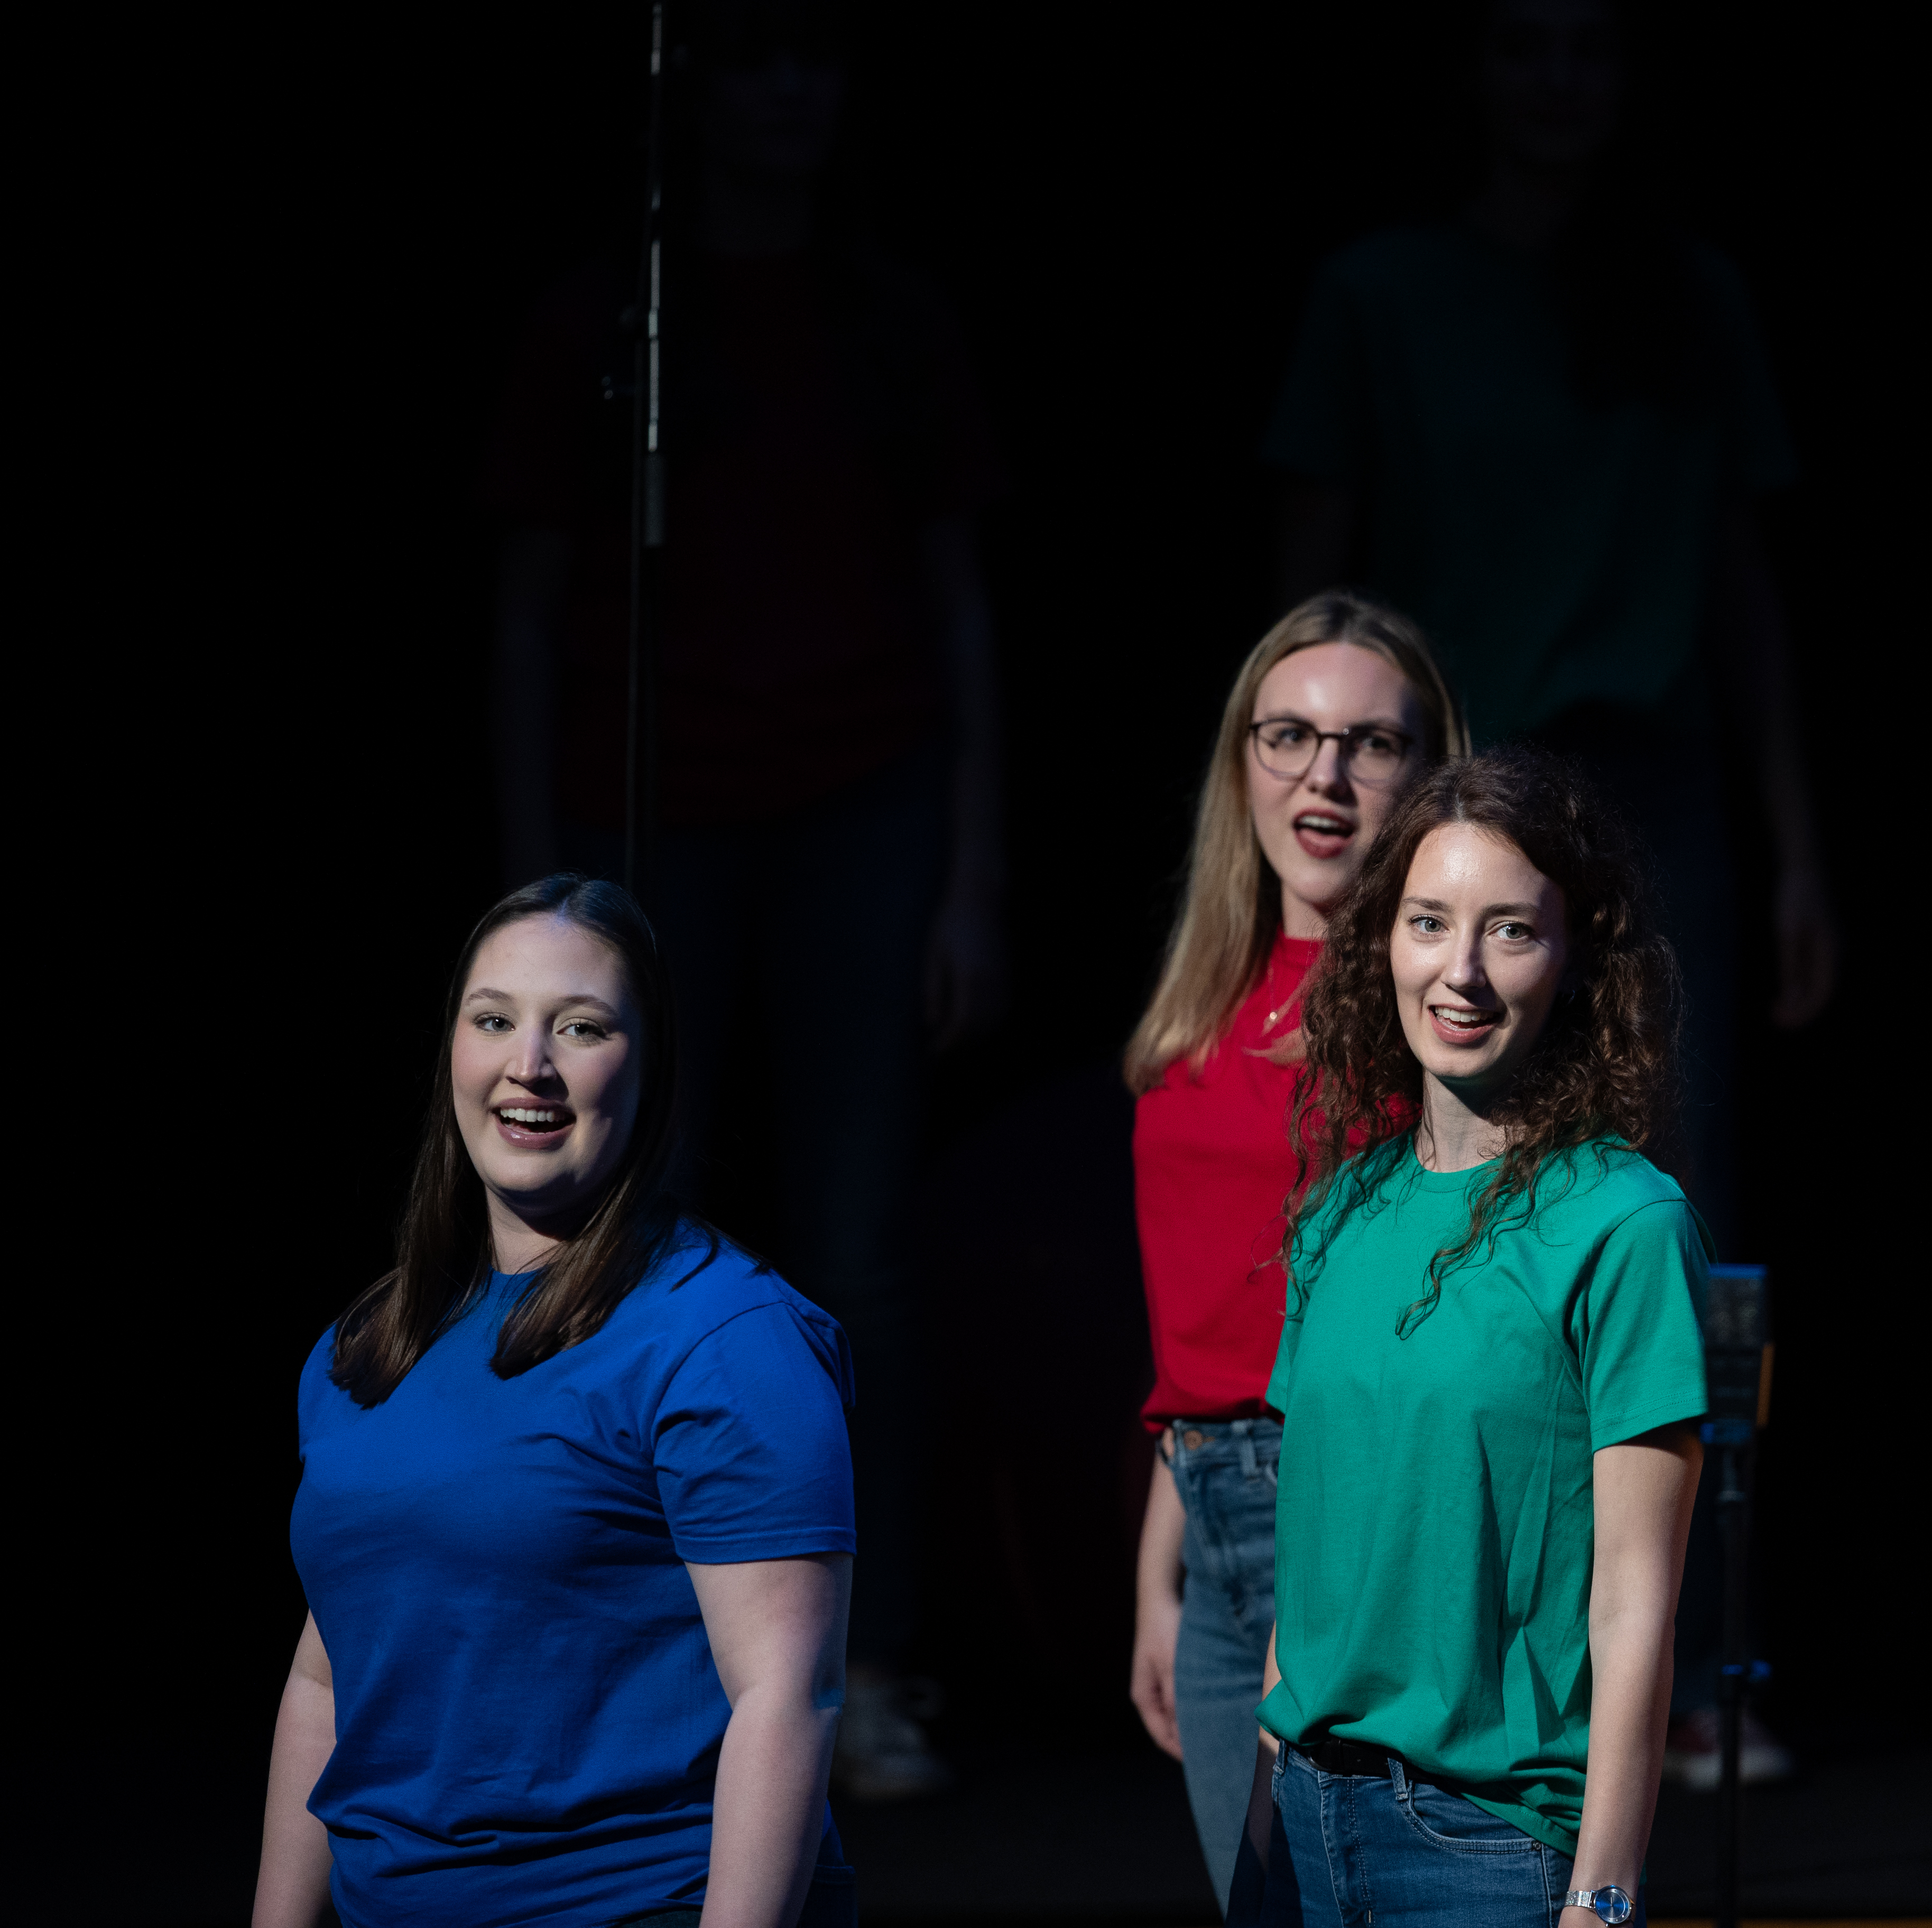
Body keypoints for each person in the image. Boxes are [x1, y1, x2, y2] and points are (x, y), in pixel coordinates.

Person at [1264, 0, 1826, 1787]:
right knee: (1406, 1193)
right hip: (1456, 789)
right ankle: (1402, 1663)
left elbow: (1744, 576)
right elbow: (1312, 576)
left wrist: (1799, 833)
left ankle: (1699, 1660)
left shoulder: (1688, 289)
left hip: (1648, 788)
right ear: (1467, 70)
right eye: (1523, 42)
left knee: (1677, 1216)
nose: (1561, 78)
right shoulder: (1382, 289)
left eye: (1599, 43)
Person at [480, 0, 1003, 1797]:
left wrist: (973, 863)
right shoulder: (609, 315)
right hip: (655, 826)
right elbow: (531, 607)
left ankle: (864, 1662)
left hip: (861, 800)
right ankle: (648, 1655)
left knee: (857, 1245)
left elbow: (956, 602)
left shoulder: (890, 317)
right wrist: (533, 888)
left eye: (819, 56)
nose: (787, 90)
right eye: (756, 54)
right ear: (697, 86)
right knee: (631, 1235)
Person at [253, 876, 857, 1928]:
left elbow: (787, 1698)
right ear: (453, 1049)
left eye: (580, 1028)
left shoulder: (724, 1340)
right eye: (495, 1021)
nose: (529, 1065)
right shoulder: (367, 1347)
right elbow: (326, 1680)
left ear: (651, 1066)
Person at [1232, 748, 1707, 1926]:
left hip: (1484, 1846)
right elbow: (1312, 1565)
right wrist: (1257, 1817)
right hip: (1301, 1814)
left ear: (1574, 960)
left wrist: (1603, 1894)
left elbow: (1635, 1605)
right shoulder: (1341, 1211)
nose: (1460, 971)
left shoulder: (1625, 1224)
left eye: (1509, 931)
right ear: (1382, 940)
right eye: (1429, 922)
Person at [1123, 592, 1466, 1906]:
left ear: (1429, 772)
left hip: (1339, 1505)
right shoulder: (1211, 984)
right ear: (1242, 762)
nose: (1324, 775)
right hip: (1211, 1513)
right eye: (1289, 736)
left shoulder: (1425, 995)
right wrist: (1163, 1570)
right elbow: (1211, 1306)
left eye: (1371, 744)